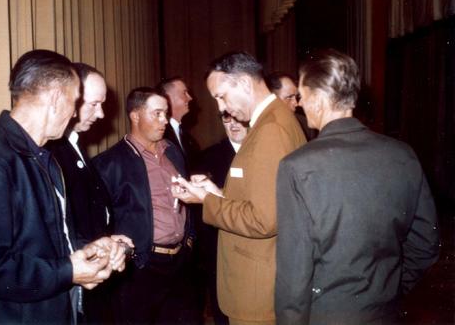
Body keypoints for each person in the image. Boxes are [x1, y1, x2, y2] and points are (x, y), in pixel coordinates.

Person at [275, 49, 440, 325]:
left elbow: (294, 274)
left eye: (301, 97)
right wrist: (392, 290)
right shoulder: (402, 154)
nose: (300, 105)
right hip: (387, 312)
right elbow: (425, 245)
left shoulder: (297, 166)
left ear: (317, 99)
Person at [0, 49, 128, 324]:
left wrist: (93, 248)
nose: (73, 114)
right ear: (56, 98)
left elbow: (50, 241)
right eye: (74, 101)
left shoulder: (44, 157)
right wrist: (68, 272)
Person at [172, 52, 306, 325]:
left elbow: (263, 220)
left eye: (221, 96)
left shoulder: (269, 130)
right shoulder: (274, 120)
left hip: (257, 290)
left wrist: (207, 202)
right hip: (264, 279)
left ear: (244, 83)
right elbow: (262, 198)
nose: (221, 107)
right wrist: (215, 193)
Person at [92, 87, 197, 324]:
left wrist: (189, 239)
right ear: (135, 116)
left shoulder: (173, 152)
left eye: (166, 113)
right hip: (142, 269)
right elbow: (100, 222)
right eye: (157, 114)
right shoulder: (109, 163)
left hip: (180, 263)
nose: (164, 121)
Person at [48, 62, 130, 323]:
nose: (102, 114)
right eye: (94, 104)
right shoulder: (51, 152)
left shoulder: (74, 144)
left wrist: (110, 241)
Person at [194, 112, 249, 325]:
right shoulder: (207, 157)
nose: (233, 124)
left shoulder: (263, 155)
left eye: (238, 118)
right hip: (219, 249)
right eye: (226, 119)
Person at [157, 76, 199, 170]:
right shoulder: (159, 136)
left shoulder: (188, 137)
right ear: (168, 98)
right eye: (184, 93)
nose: (190, 98)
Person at [265, 71, 318, 140]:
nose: (296, 103)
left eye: (296, 97)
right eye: (289, 97)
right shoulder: (262, 126)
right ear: (272, 98)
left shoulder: (305, 125)